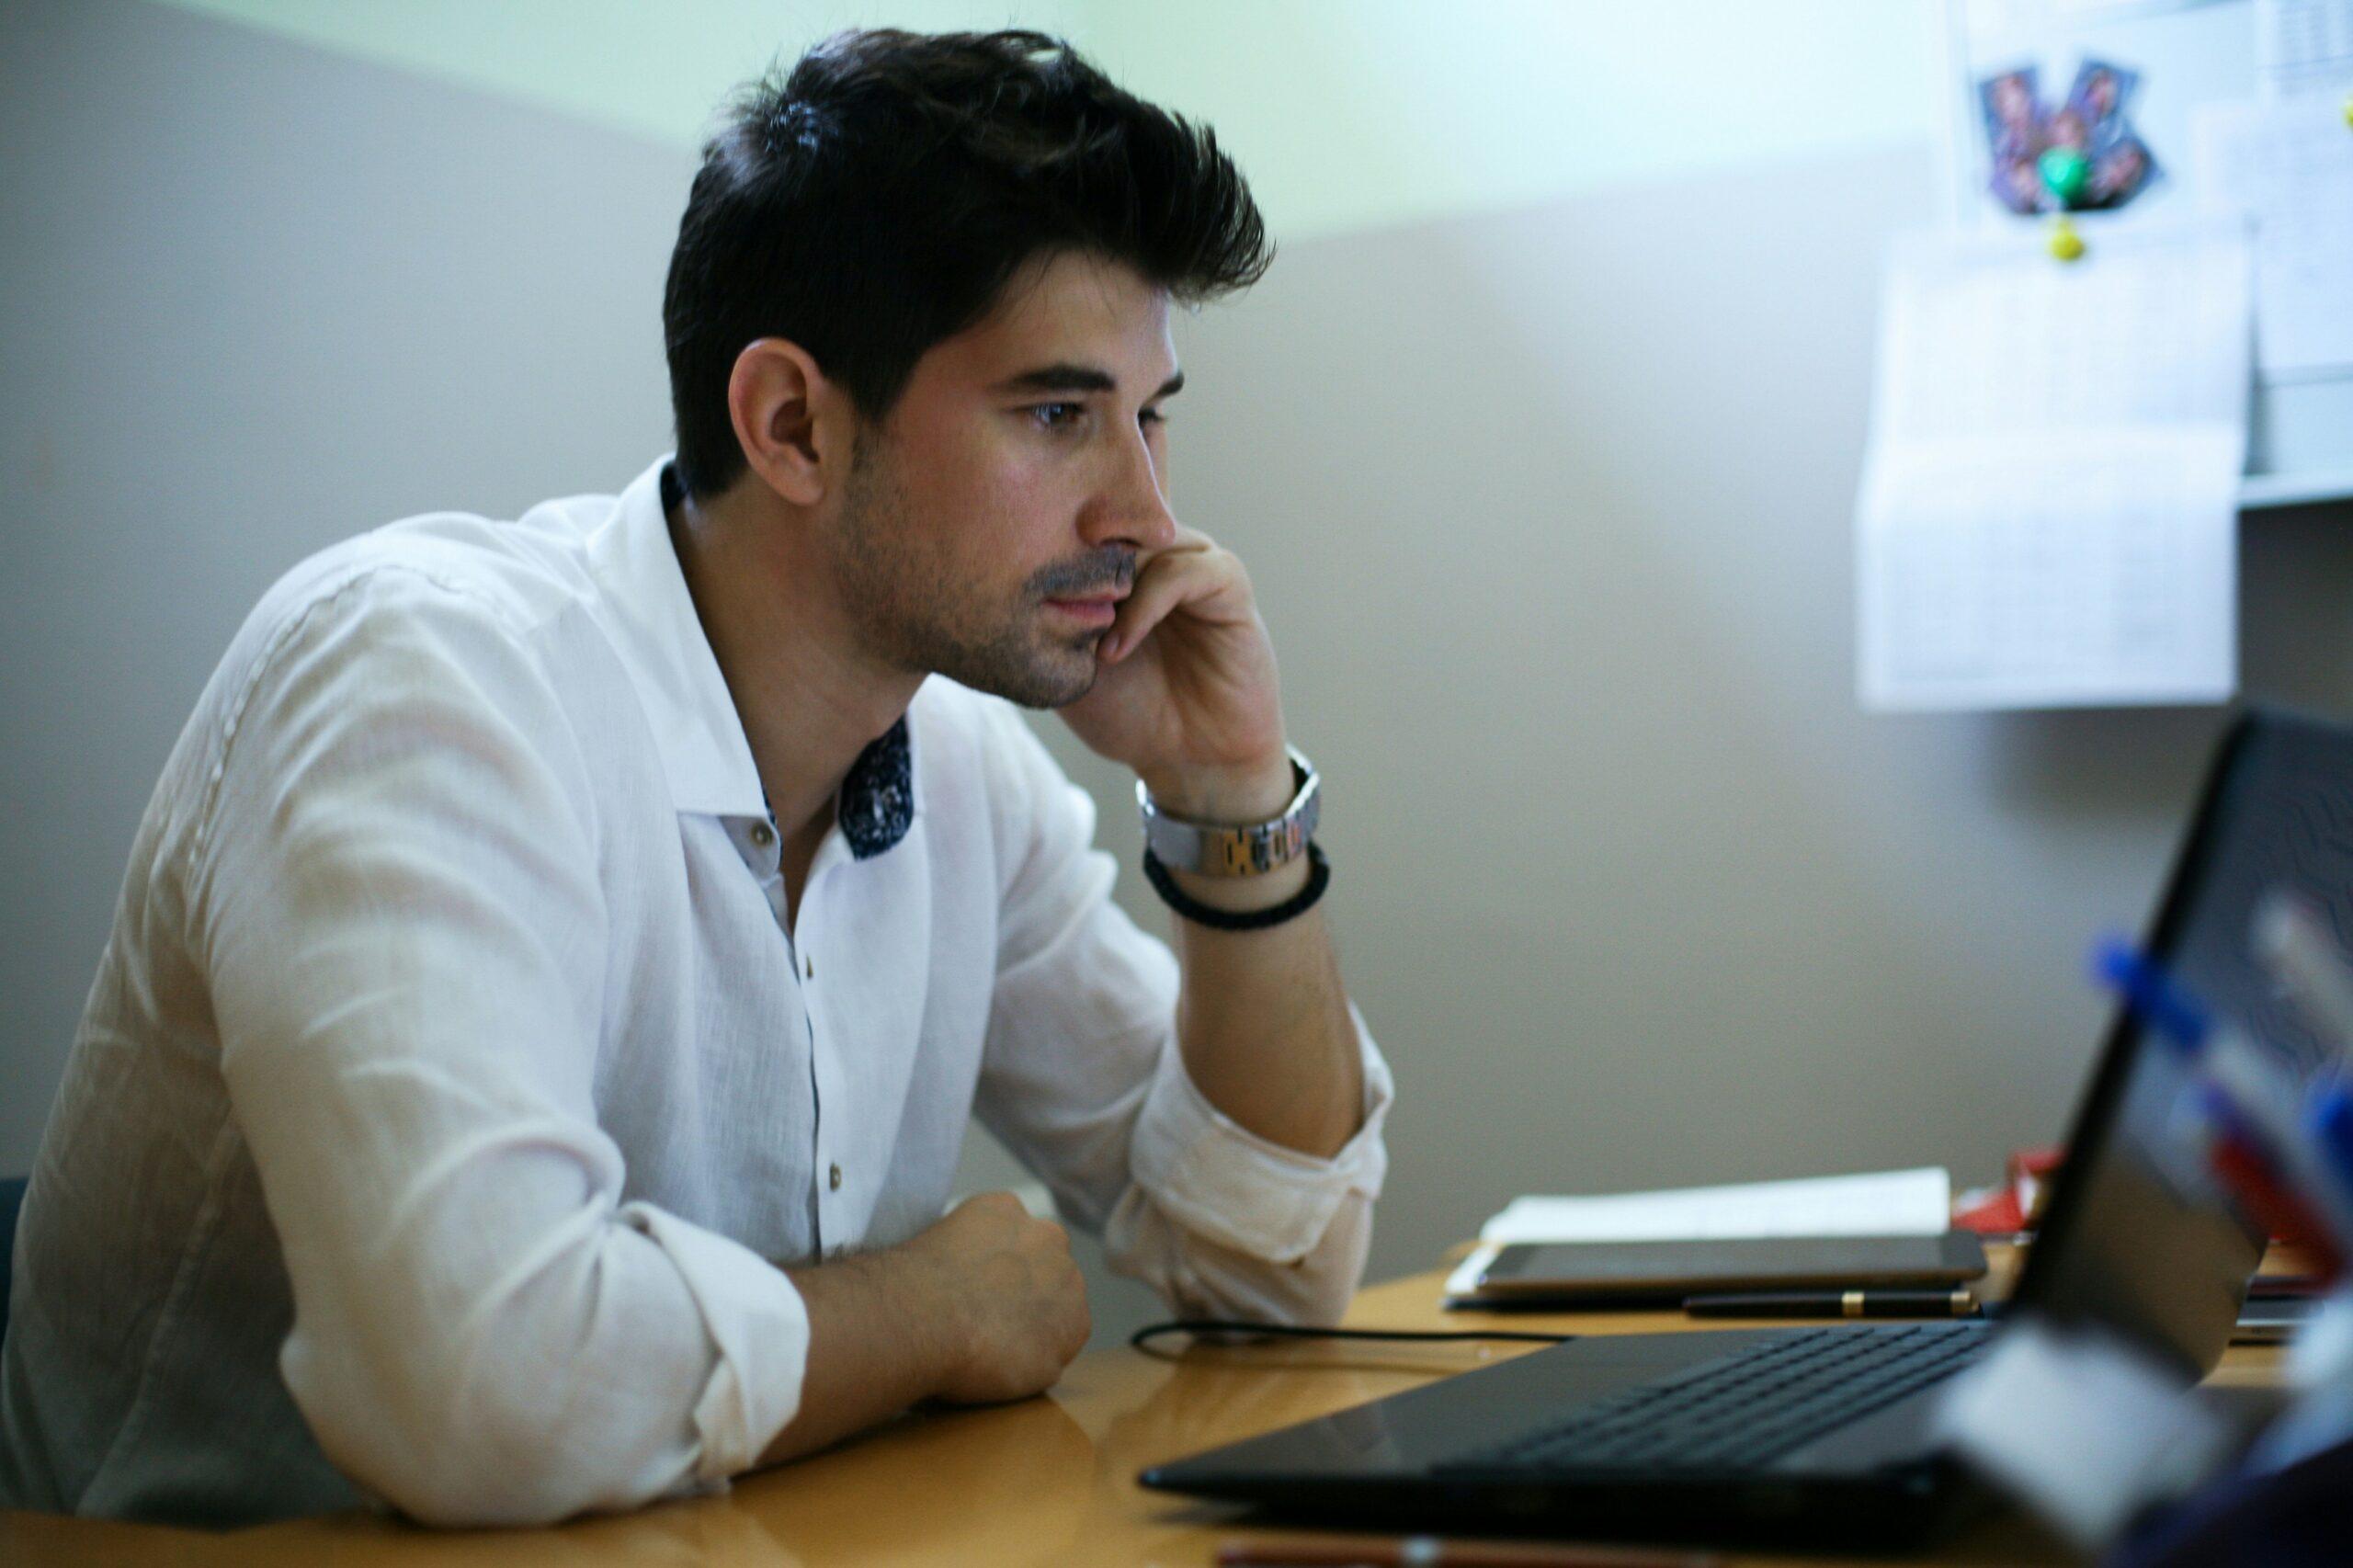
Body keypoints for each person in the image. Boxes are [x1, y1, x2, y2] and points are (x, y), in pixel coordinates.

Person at [0, 28, 1392, 1529]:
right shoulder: (423, 677)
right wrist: (930, 1308)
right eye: (1058, 415)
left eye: (1150, 412)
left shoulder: (963, 762)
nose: (1146, 508)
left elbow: (1272, 1260)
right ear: (791, 422)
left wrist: (1232, 795)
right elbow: (481, 1385)